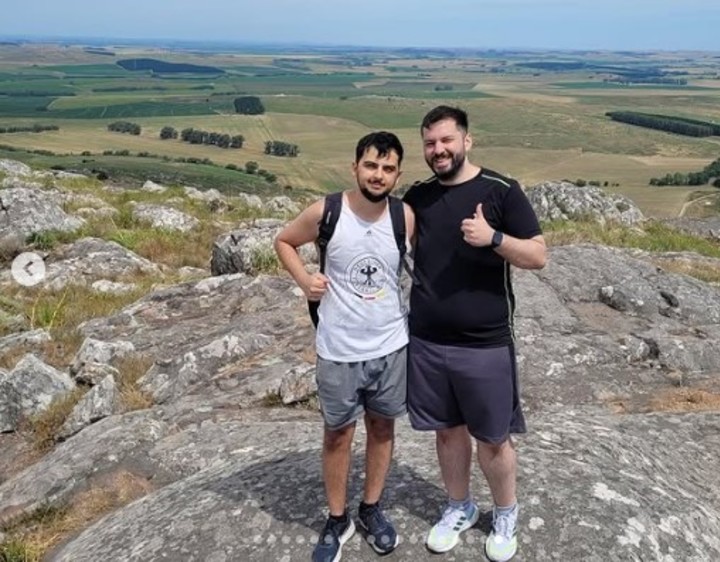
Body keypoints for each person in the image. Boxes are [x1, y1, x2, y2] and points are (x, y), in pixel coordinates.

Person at [402, 105, 546, 562]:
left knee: (494, 437)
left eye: (446, 140)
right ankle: (458, 507)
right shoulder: (419, 196)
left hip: (485, 342)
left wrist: (495, 239)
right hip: (427, 341)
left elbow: (538, 255)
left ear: (467, 140)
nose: (438, 150)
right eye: (429, 143)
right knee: (446, 432)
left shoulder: (502, 191)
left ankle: (505, 513)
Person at [274, 131, 414, 562]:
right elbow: (284, 241)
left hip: (391, 344)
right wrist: (304, 281)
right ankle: (338, 518)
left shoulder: (404, 217)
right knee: (337, 434)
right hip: (338, 347)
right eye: (371, 165)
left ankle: (371, 508)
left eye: (388, 168)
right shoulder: (327, 211)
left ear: (397, 174)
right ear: (355, 167)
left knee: (383, 428)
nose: (378, 174)